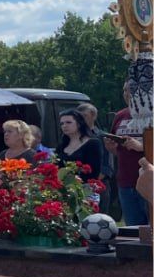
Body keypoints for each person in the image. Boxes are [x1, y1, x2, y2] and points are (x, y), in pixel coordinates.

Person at [107, 82, 150, 225]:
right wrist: (111, 147)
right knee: (133, 232)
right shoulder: (120, 115)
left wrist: (142, 147)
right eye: (124, 90)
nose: (127, 93)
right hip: (126, 182)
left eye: (131, 90)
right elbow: (117, 150)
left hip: (149, 181)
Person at [78, 102, 116, 214]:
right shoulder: (73, 137)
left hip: (99, 184)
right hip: (79, 185)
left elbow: (108, 164)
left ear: (93, 116)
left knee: (100, 220)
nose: (81, 119)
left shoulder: (102, 136)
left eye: (84, 116)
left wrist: (96, 178)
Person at [56, 109, 103, 183]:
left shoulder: (93, 143)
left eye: (68, 122)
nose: (64, 126)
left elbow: (94, 171)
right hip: (63, 189)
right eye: (62, 123)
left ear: (79, 123)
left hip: (85, 189)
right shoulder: (61, 146)